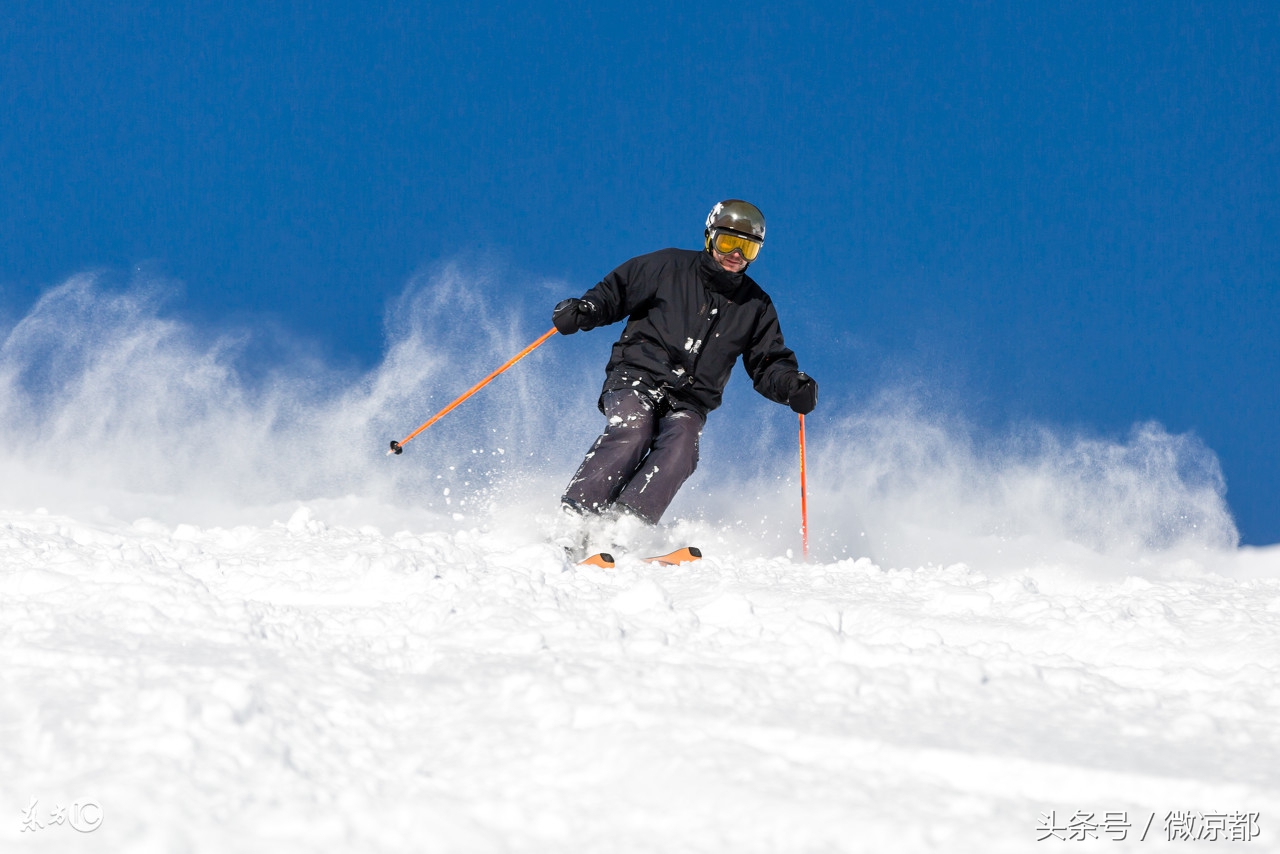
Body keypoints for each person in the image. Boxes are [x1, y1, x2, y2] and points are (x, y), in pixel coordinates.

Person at [552, 199, 818, 526]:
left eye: (748, 248)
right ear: (709, 237)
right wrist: (585, 310)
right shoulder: (668, 266)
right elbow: (616, 292)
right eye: (728, 243)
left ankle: (626, 527)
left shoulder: (756, 306)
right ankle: (577, 516)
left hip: (690, 400)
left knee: (682, 447)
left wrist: (792, 385)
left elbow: (768, 362)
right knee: (634, 430)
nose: (736, 254)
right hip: (638, 376)